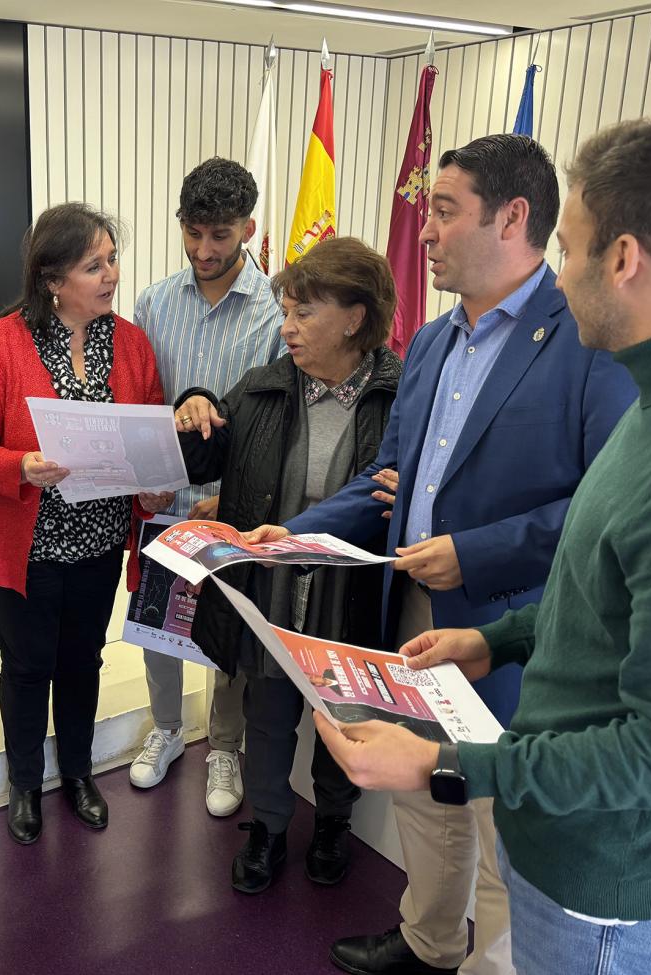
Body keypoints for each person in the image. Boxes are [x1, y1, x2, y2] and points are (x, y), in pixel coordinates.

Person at [315, 114, 651, 975]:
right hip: (583, 860)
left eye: (570, 247)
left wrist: (447, 762)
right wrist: (499, 638)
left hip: (621, 895)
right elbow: (606, 580)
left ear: (625, 259)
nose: (558, 276)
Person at [246, 135, 637, 975]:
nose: (423, 231)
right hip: (413, 615)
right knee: (428, 801)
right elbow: (392, 478)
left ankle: (491, 963)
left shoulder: (587, 337)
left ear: (514, 217)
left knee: (503, 823)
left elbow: (610, 506)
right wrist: (305, 530)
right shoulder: (428, 344)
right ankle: (428, 938)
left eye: (444, 211)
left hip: (516, 630)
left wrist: (478, 551)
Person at [174, 236, 401, 894]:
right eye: (287, 311)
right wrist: (191, 409)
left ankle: (332, 821)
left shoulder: (399, 395)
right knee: (268, 713)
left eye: (304, 313)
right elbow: (204, 460)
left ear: (354, 318)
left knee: (344, 719)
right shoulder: (265, 386)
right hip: (270, 586)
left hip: (352, 591)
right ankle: (269, 826)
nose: (287, 327)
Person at [0, 203, 166, 846]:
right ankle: (23, 781)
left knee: (83, 662)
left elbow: (148, 432)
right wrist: (22, 464)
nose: (110, 275)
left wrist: (153, 481)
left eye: (111, 260)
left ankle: (76, 773)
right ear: (51, 280)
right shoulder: (1, 343)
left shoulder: (130, 342)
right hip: (29, 544)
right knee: (25, 667)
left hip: (100, 541)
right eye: (92, 265)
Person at [127, 156, 286, 817]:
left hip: (237, 505)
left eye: (219, 235)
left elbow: (281, 418)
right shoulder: (155, 301)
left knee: (226, 633)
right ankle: (165, 726)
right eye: (192, 233)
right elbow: (141, 396)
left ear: (247, 227)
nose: (203, 250)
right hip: (163, 500)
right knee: (156, 627)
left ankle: (224, 741)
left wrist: (244, 493)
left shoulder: (278, 310)